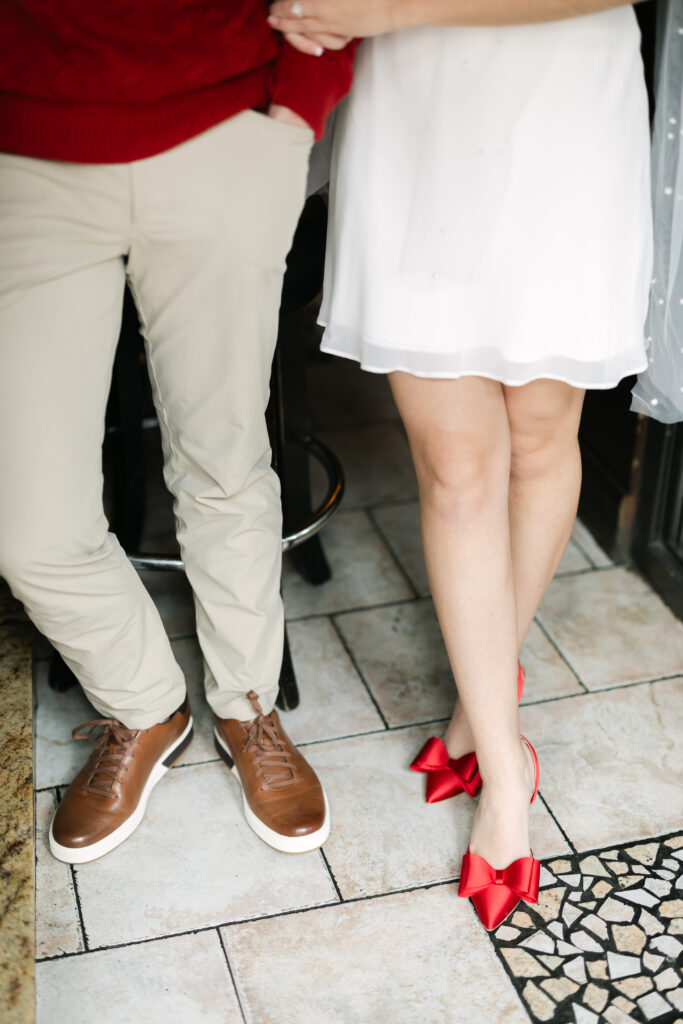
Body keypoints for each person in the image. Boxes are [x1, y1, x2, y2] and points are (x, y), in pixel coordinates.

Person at [269, 0, 653, 928]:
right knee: (453, 466)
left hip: (559, 100)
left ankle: (483, 726)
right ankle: (505, 761)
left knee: (533, 441)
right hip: (415, 107)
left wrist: (382, 8)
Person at [0, 2, 355, 863]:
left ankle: (247, 708)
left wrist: (296, 106)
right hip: (27, 145)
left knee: (223, 459)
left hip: (225, 126)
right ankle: (145, 706)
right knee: (29, 528)